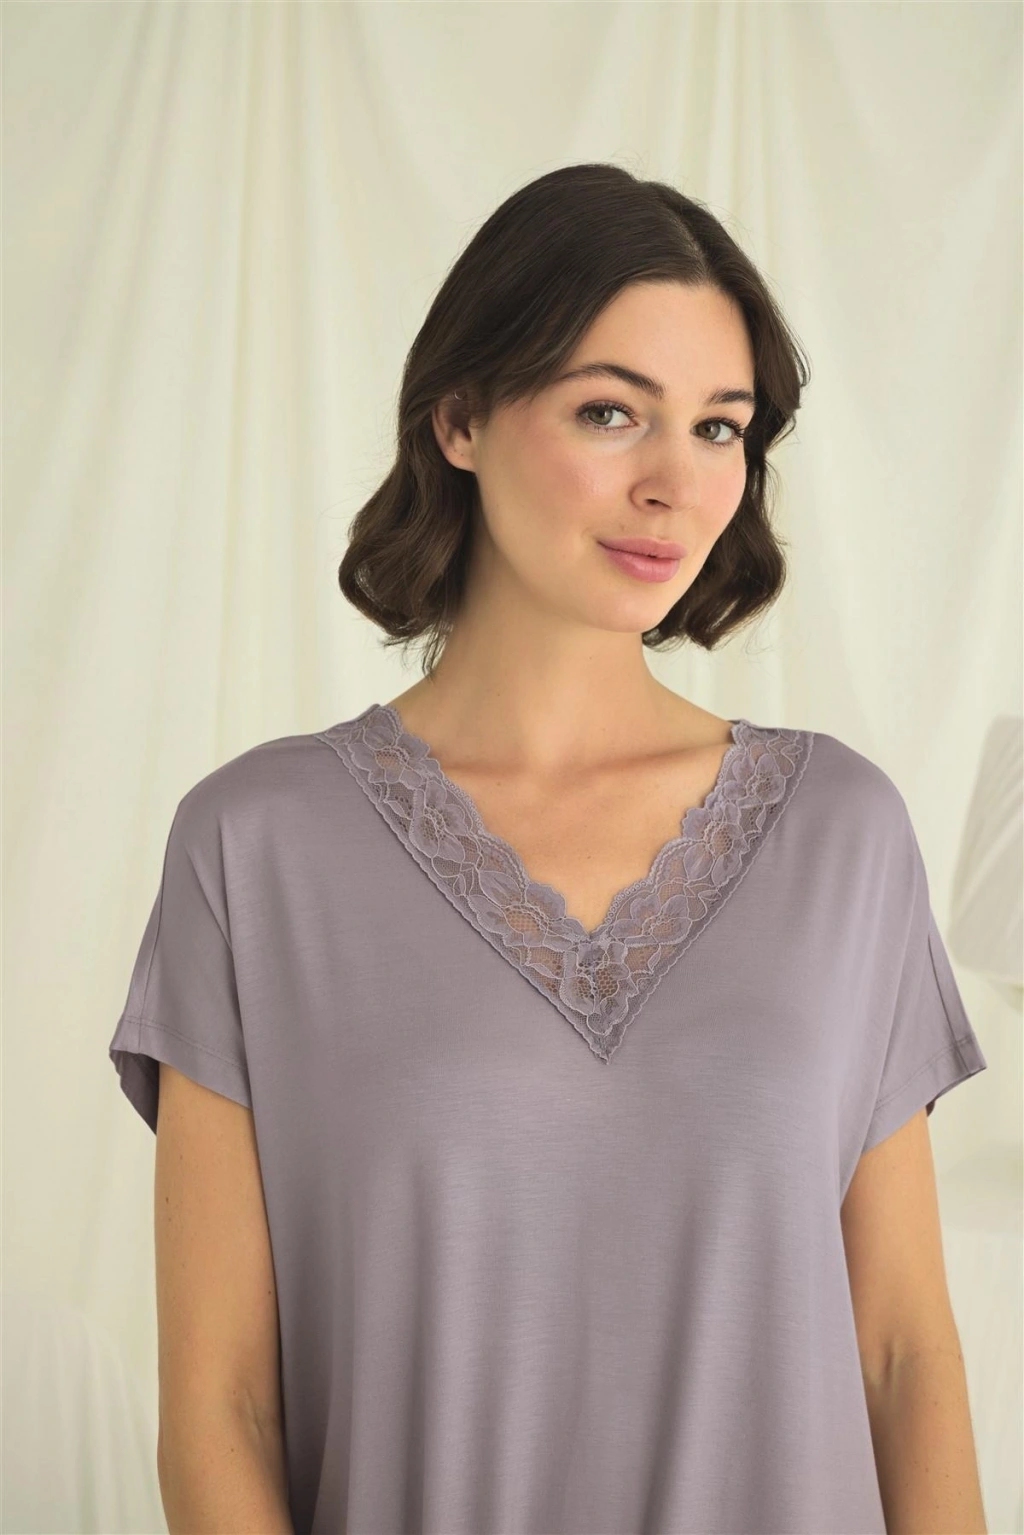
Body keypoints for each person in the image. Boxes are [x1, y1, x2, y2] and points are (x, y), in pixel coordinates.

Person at [109, 162, 988, 1534]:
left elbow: (905, 1359)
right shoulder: (255, 848)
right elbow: (223, 1406)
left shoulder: (844, 837)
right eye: (609, 411)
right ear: (461, 416)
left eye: (719, 427)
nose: (674, 483)